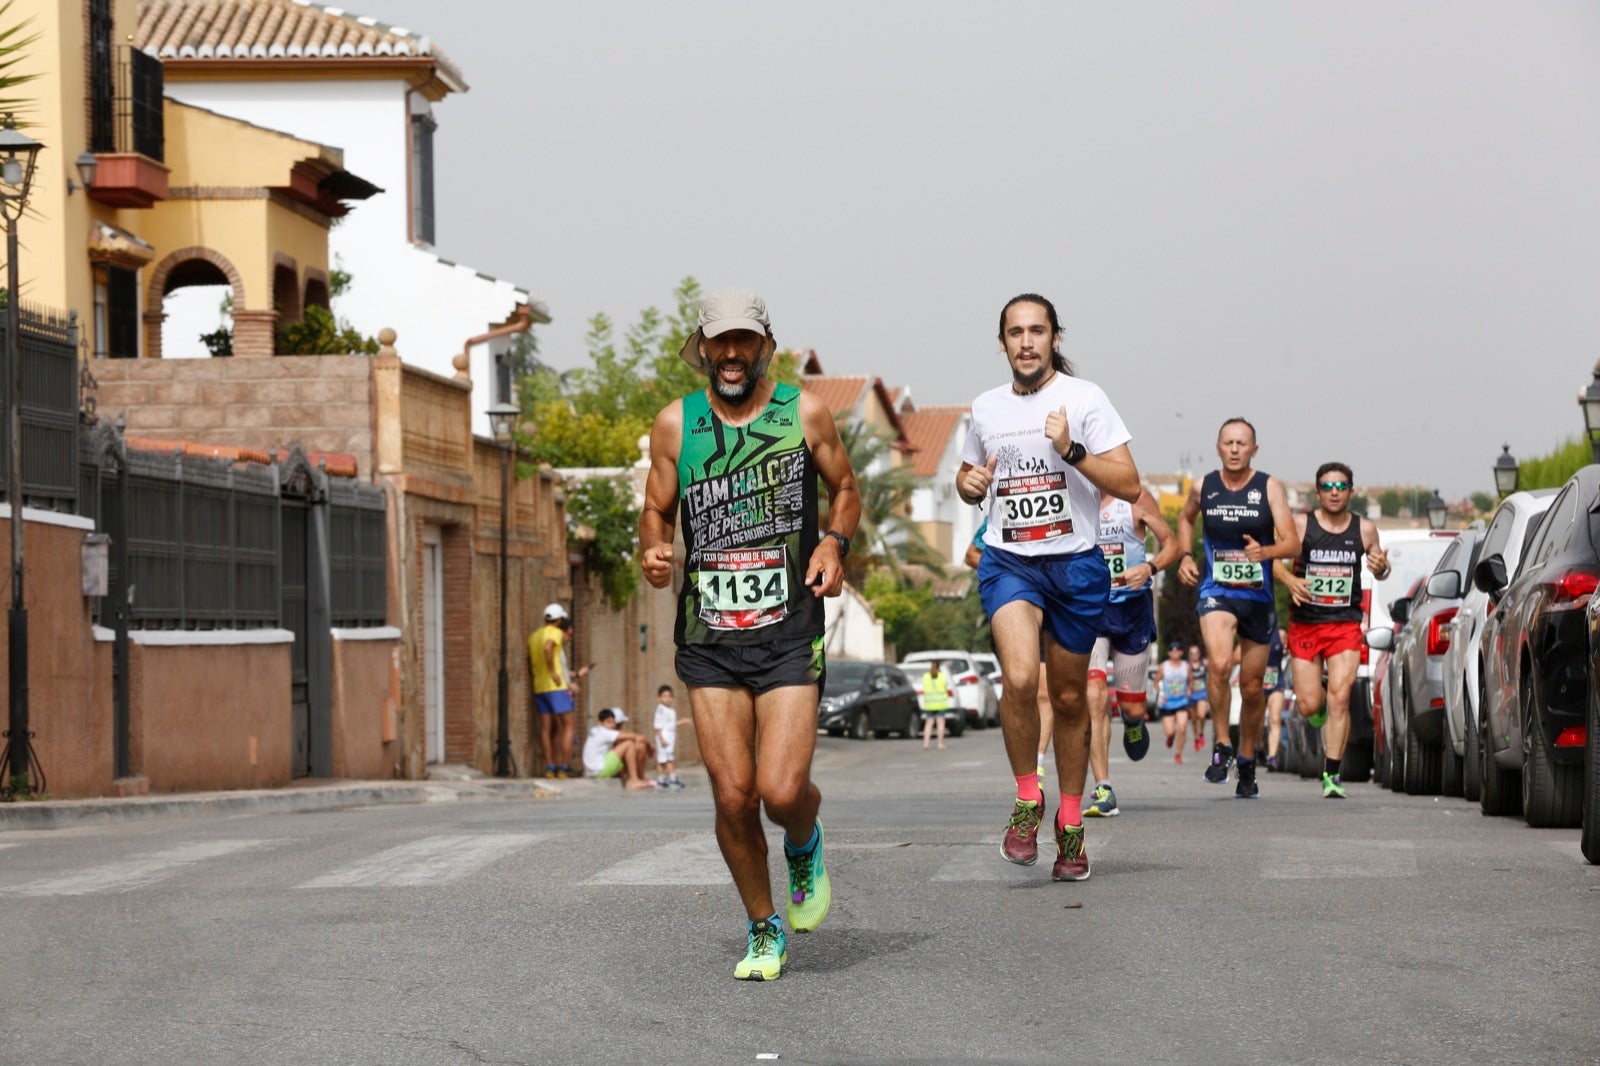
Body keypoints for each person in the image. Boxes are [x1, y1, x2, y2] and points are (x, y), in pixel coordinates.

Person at [639, 286, 860, 982]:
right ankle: (764, 926)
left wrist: (833, 543)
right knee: (733, 795)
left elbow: (846, 489)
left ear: (764, 346)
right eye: (720, 341)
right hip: (708, 636)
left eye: (744, 340)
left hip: (789, 629)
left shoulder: (806, 413)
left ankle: (803, 837)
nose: (732, 353)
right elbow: (656, 508)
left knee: (781, 789)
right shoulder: (676, 424)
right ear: (703, 348)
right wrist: (653, 548)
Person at [956, 293, 1142, 882]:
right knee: (1018, 679)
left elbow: (1130, 484)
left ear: (1054, 338)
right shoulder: (985, 408)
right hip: (1010, 561)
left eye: (1037, 331)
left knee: (1067, 699)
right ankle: (1026, 799)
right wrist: (968, 484)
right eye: (1016, 332)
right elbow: (967, 475)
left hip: (1075, 567)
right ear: (1003, 343)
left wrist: (1072, 450)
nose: (1027, 342)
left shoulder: (1085, 399)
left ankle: (1070, 822)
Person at [1176, 418, 1300, 798]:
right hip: (1217, 589)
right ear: (1218, 448)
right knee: (1218, 664)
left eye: (1241, 443)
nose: (1234, 449)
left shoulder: (1268, 487)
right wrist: (1185, 555)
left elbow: (1292, 543)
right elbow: (1185, 518)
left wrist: (1267, 551)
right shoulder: (1203, 486)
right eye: (1228, 442)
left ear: (1253, 450)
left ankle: (1247, 758)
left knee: (1252, 687)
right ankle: (1222, 744)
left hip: (1258, 597)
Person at [1273, 462, 1389, 798]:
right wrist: (1290, 580)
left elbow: (1380, 567)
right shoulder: (1300, 525)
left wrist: (1382, 567)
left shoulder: (1365, 529)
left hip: (1345, 623)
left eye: (1341, 487)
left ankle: (1332, 774)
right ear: (1317, 492)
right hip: (1306, 623)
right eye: (1327, 486)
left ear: (1351, 491)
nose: (1334, 493)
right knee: (1309, 706)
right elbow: (1271, 559)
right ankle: (1318, 700)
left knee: (1341, 697)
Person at [1083, 487, 1179, 817]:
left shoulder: (1136, 499)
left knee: (1132, 706)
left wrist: (1150, 568)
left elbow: (1172, 545)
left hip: (1131, 612)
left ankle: (1133, 721)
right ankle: (1103, 787)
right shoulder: (1073, 494)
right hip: (1090, 610)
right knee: (1094, 694)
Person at [529, 603, 589, 778]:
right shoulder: (555, 632)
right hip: (556, 687)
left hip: (539, 687)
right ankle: (564, 767)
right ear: (559, 620)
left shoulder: (534, 636)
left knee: (546, 728)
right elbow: (548, 647)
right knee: (569, 726)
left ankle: (550, 767)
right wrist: (553, 673)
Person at [582, 708, 657, 789]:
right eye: (608, 722)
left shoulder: (596, 730)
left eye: (613, 722)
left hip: (593, 770)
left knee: (638, 746)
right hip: (599, 770)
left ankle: (639, 778)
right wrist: (649, 747)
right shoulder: (606, 732)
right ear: (600, 723)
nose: (612, 725)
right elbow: (636, 737)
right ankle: (633, 780)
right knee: (629, 744)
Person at [1156, 642, 1192, 760]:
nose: (1175, 653)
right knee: (1170, 732)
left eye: (1177, 651)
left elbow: (1191, 680)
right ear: (1169, 653)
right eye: (1172, 650)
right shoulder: (1163, 667)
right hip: (1167, 703)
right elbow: (1156, 682)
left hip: (1182, 701)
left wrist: (1189, 689)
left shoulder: (1186, 666)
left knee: (1182, 728)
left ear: (1181, 652)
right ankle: (1170, 737)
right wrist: (1161, 693)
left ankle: (1178, 753)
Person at [653, 683, 688, 789]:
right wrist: (662, 739)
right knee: (666, 759)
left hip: (669, 739)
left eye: (669, 696)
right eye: (664, 696)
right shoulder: (660, 710)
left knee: (664, 759)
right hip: (663, 739)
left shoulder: (670, 710)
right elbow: (657, 727)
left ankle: (662, 779)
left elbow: (669, 724)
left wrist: (682, 722)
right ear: (659, 698)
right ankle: (672, 779)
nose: (667, 698)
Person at [1264, 628, 1289, 771]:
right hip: (1258, 684)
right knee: (1256, 721)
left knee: (1275, 719)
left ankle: (1272, 757)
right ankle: (1255, 750)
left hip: (1276, 684)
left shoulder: (1280, 638)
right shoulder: (1258, 634)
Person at [919, 660, 951, 750]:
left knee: (928, 724)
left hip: (929, 704)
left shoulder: (925, 677)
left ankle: (926, 743)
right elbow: (945, 687)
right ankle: (940, 743)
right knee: (940, 724)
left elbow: (924, 688)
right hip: (940, 704)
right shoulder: (942, 677)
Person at [1185, 644, 1209, 753]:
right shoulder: (1186, 665)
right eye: (1192, 653)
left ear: (1199, 654)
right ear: (1189, 655)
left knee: (1202, 715)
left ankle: (1201, 733)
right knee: (1194, 719)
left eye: (1196, 653)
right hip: (1191, 695)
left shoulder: (1204, 663)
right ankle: (1196, 737)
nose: (1194, 655)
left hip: (1202, 693)